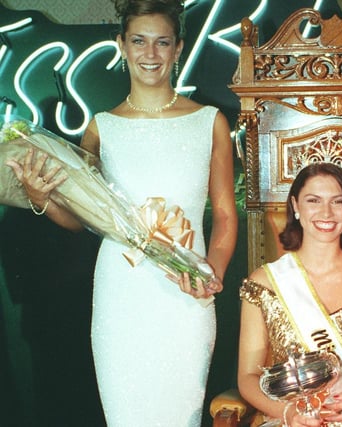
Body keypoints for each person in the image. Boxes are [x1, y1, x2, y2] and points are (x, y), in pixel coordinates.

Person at [6, 0, 238, 425]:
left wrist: (212, 272)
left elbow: (225, 213)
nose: (150, 54)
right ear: (121, 46)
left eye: (162, 42)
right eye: (139, 41)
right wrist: (42, 199)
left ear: (178, 48)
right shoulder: (101, 127)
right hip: (121, 295)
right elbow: (80, 219)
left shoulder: (209, 121)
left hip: (187, 293)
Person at [237, 162, 342, 427]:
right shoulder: (265, 282)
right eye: (314, 200)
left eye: (337, 202)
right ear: (295, 206)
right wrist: (288, 413)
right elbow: (247, 377)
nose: (327, 212)